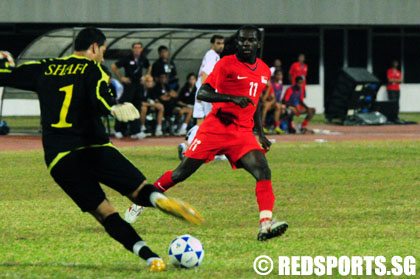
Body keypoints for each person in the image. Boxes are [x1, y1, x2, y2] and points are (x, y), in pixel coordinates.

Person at [0, 27, 202, 272]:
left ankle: (151, 258)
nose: (103, 57)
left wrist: (5, 62)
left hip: (60, 157)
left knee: (105, 214)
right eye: (103, 51)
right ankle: (158, 199)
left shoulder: (46, 66)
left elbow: (7, 74)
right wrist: (113, 108)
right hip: (95, 148)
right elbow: (100, 95)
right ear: (95, 47)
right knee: (138, 191)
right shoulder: (94, 68)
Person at [127, 26, 288, 241]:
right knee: (181, 173)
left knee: (263, 171)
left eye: (250, 41)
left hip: (241, 132)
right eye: (241, 40)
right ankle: (141, 200)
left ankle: (265, 225)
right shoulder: (226, 63)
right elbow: (203, 92)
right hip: (216, 128)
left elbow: (255, 102)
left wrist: (259, 132)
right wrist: (230, 98)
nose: (245, 44)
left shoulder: (264, 70)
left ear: (258, 44)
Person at [177, 35, 224, 159]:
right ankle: (217, 152)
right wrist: (206, 92)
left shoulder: (211, 55)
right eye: (218, 43)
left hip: (201, 92)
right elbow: (205, 74)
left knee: (201, 124)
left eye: (222, 43)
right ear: (212, 44)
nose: (220, 46)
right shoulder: (212, 55)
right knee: (215, 121)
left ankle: (185, 146)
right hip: (206, 93)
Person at [111, 42, 151, 139]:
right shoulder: (127, 58)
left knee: (136, 107)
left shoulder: (143, 59)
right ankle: (118, 129)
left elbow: (149, 66)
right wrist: (121, 77)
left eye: (139, 48)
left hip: (138, 86)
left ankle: (135, 131)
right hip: (129, 85)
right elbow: (114, 66)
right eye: (135, 48)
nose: (137, 50)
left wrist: (146, 76)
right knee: (124, 106)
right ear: (132, 49)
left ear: (141, 49)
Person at [262, 70, 285, 134]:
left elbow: (273, 97)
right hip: (262, 104)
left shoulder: (280, 85)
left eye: (281, 75)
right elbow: (263, 99)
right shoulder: (265, 85)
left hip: (271, 104)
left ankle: (276, 126)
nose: (280, 76)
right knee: (265, 105)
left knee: (278, 106)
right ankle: (262, 126)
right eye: (278, 75)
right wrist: (268, 89)